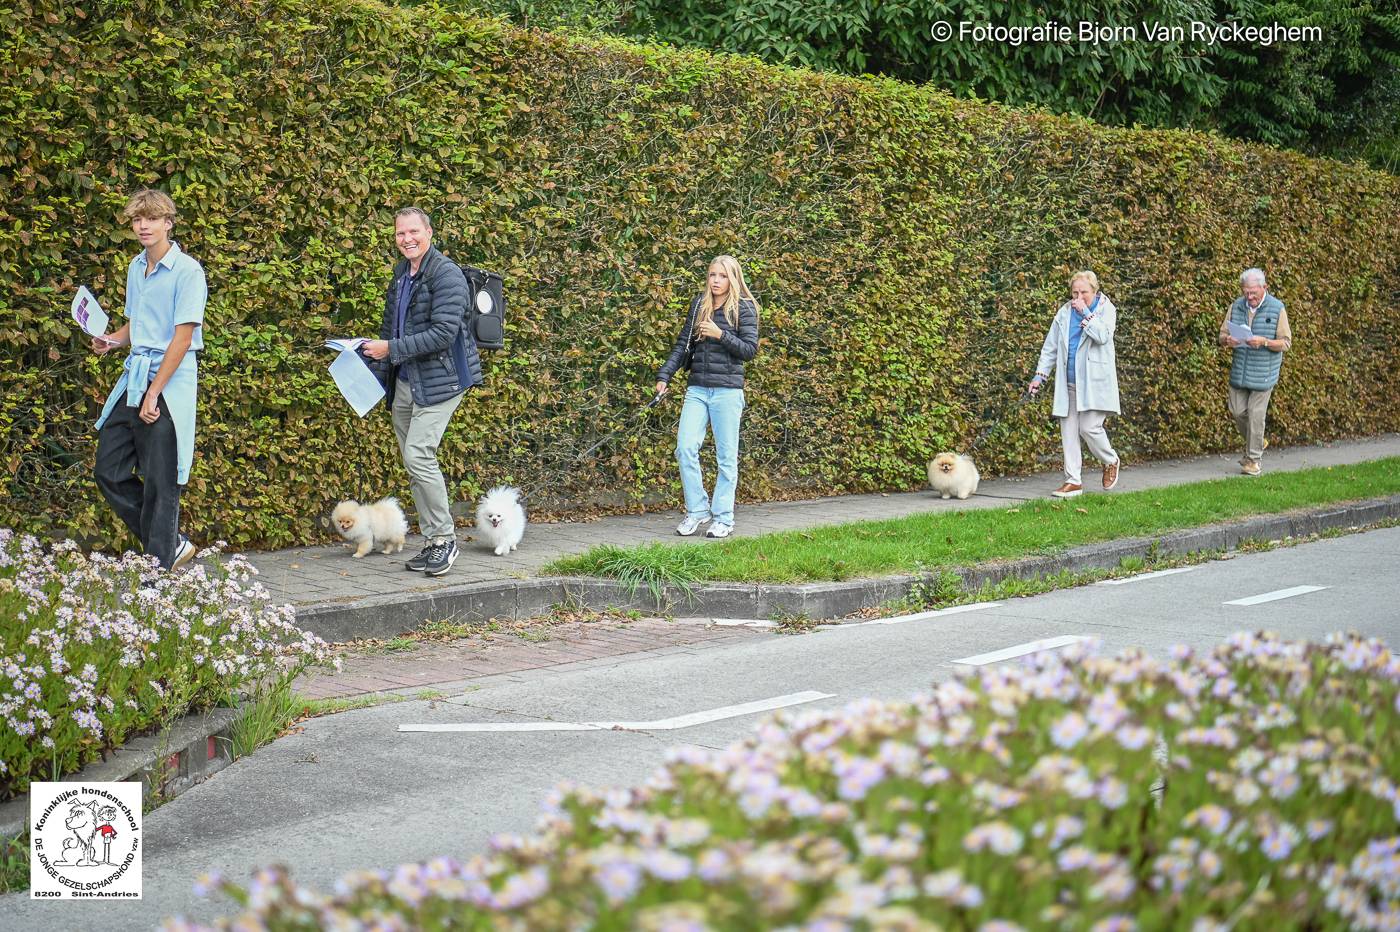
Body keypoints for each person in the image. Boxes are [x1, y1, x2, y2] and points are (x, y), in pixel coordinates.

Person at [361, 207, 482, 576]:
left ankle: (445, 540)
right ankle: (432, 543)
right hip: (406, 381)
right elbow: (389, 328)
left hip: (442, 380)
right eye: (400, 234)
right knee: (414, 464)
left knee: (418, 455)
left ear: (429, 233)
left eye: (413, 231)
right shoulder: (402, 274)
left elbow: (444, 334)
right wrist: (377, 374)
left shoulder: (447, 274)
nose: (406, 239)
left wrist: (390, 349)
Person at [92, 189, 206, 570]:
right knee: (108, 469)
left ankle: (158, 569)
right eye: (138, 219)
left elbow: (183, 337)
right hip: (135, 378)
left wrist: (155, 392)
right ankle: (171, 542)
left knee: (160, 477)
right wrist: (111, 341)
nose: (143, 225)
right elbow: (136, 324)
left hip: (168, 384)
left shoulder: (188, 271)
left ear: (168, 223)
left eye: (152, 218)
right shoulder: (135, 267)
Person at [654, 255, 760, 538]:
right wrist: (664, 376)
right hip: (697, 388)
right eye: (712, 274)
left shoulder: (744, 308)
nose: (715, 280)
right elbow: (681, 345)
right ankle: (698, 510)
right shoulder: (699, 305)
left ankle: (724, 518)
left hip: (728, 392)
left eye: (722, 276)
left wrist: (719, 334)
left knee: (726, 458)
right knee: (685, 448)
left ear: (733, 278)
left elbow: (749, 350)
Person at [1028, 270, 1122, 498]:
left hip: (1094, 383)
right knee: (1068, 431)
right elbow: (1050, 346)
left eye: (1084, 292)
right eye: (1075, 292)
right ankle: (1073, 481)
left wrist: (1086, 313)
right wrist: (1039, 376)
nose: (1079, 297)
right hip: (1068, 383)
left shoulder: (1106, 310)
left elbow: (1102, 336)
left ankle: (1111, 460)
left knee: (1089, 428)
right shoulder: (1064, 312)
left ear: (1095, 291)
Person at [1218, 267, 1291, 476]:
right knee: (1237, 411)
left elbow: (1286, 343)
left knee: (1257, 415)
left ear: (1264, 288)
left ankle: (1253, 460)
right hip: (1240, 370)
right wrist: (1227, 340)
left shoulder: (1277, 308)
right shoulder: (1236, 306)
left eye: (1253, 293)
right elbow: (1222, 335)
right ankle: (1259, 441)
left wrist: (1265, 341)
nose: (1249, 297)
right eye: (1246, 292)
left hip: (1264, 373)